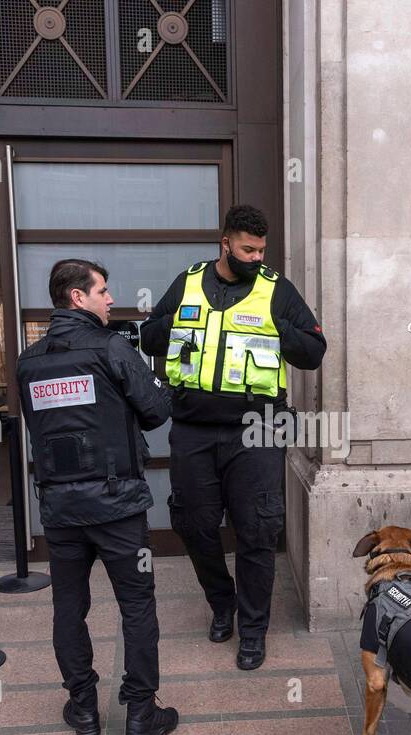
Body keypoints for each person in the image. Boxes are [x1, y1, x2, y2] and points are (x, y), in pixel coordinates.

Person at [140, 204, 327, 670]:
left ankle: (253, 629)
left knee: (258, 530)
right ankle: (223, 603)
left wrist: (278, 329)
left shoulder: (276, 290)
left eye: (262, 250)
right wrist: (180, 326)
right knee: (195, 525)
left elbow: (314, 350)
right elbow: (149, 337)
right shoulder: (187, 283)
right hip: (193, 429)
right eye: (248, 248)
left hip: (259, 428)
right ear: (225, 244)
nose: (256, 257)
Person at [16, 259, 178, 735]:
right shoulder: (111, 348)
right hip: (116, 506)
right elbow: (153, 413)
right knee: (136, 606)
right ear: (77, 298)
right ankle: (140, 714)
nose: (111, 299)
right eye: (103, 291)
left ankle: (83, 707)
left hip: (61, 512)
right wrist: (166, 385)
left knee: (69, 607)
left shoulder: (29, 361)